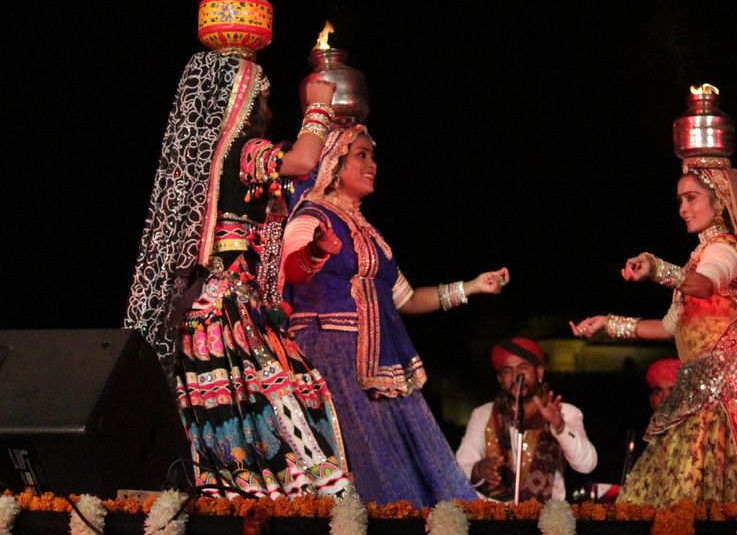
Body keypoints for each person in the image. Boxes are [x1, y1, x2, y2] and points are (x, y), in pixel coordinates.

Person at [125, 47, 351, 498]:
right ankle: (266, 497)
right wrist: (320, 107)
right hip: (227, 309)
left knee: (236, 403)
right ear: (239, 99)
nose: (269, 108)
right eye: (261, 97)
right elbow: (302, 162)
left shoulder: (211, 159)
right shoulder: (244, 150)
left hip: (216, 307)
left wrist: (311, 254)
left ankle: (229, 494)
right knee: (273, 398)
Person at [571, 87, 737, 506]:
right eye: (680, 200)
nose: (683, 209)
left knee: (702, 503)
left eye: (691, 199)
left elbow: (704, 285)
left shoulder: (726, 249)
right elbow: (669, 327)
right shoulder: (698, 256)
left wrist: (657, 269)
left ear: (719, 200)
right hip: (690, 397)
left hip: (721, 406)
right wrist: (608, 324)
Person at [282, 124, 510, 505]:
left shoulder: (372, 235)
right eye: (362, 155)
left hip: (380, 362)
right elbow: (291, 270)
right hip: (330, 355)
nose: (372, 164)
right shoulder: (311, 214)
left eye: (373, 156)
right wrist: (317, 251)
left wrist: (471, 287)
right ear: (335, 163)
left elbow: (407, 299)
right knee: (367, 464)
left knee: (408, 468)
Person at [456, 338, 598, 502]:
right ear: (500, 379)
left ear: (539, 373)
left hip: (548, 515)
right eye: (507, 371)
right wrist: (478, 469)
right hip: (493, 514)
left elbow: (587, 464)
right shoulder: (483, 414)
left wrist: (560, 427)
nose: (516, 376)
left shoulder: (565, 413)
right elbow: (458, 469)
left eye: (522, 368)